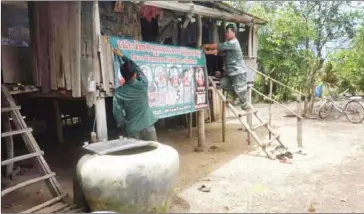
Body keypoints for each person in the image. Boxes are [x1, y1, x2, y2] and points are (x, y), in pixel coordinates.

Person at [201, 23, 250, 111]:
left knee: (241, 90)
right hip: (231, 72)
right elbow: (218, 49)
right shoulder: (228, 44)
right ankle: (237, 97)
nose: (226, 34)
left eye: (228, 32)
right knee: (224, 83)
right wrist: (207, 52)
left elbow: (218, 46)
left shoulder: (233, 43)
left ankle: (246, 106)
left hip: (238, 72)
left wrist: (207, 46)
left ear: (233, 32)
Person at [112, 48, 158, 141]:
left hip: (132, 130)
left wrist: (124, 125)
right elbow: (137, 68)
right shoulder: (143, 83)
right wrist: (122, 56)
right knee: (153, 153)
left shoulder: (118, 93)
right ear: (134, 75)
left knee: (137, 154)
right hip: (148, 125)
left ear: (123, 76)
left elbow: (117, 114)